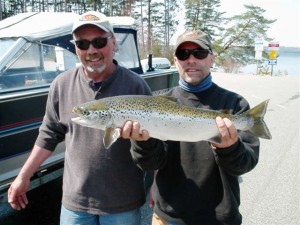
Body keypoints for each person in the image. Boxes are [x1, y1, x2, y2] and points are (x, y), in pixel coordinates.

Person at [7, 11, 152, 225]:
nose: (91, 50)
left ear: (114, 43)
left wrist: (157, 185)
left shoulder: (136, 85)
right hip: (75, 204)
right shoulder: (61, 84)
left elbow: (157, 140)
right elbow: (48, 135)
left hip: (122, 203)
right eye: (82, 44)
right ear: (76, 48)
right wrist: (23, 176)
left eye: (99, 42)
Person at [121, 30, 260, 225]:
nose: (191, 60)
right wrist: (142, 143)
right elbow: (152, 164)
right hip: (167, 217)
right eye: (183, 54)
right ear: (175, 61)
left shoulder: (235, 105)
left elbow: (246, 164)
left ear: (212, 58)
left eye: (199, 53)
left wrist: (229, 147)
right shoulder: (156, 105)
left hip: (219, 219)